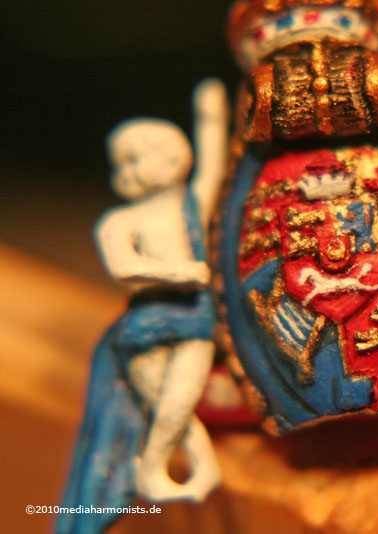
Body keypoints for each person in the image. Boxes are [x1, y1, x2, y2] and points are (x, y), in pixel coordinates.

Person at [59, 80, 229, 534]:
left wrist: (210, 116)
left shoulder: (192, 203)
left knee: (178, 405)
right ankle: (156, 474)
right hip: (146, 324)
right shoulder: (119, 220)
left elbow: (213, 166)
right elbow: (122, 266)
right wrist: (178, 272)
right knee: (168, 410)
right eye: (131, 157)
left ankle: (176, 473)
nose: (145, 162)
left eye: (153, 148)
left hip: (195, 320)